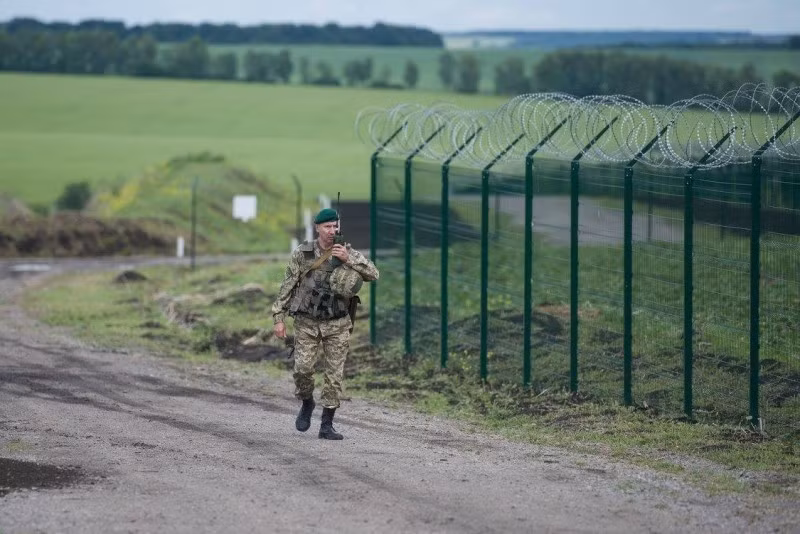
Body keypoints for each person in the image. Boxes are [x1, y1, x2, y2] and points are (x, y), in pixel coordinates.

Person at [271, 208, 379, 440]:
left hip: (337, 323)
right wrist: (278, 318)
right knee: (302, 370)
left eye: (335, 226)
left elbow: (373, 274)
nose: (332, 230)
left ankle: (327, 425)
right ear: (317, 228)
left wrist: (348, 259)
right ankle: (307, 402)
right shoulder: (304, 253)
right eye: (327, 226)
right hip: (307, 322)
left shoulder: (347, 252)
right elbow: (288, 285)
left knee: (334, 375)